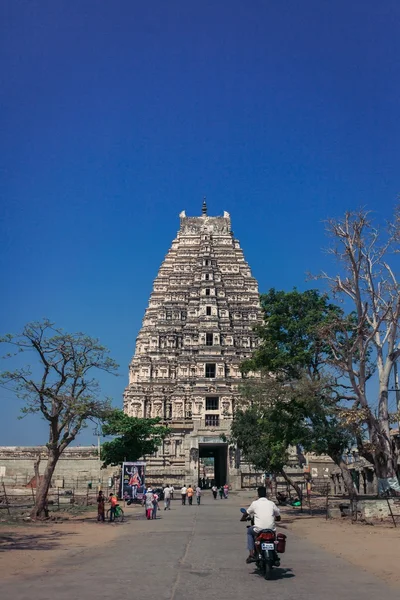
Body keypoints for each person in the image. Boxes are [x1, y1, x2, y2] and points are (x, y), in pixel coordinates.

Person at [241, 486, 281, 564]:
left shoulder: (255, 503)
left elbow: (246, 513)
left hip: (258, 529)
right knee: (274, 535)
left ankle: (251, 554)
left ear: (258, 494)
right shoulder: (271, 503)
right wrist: (277, 518)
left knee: (249, 531)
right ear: (266, 494)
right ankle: (275, 553)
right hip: (270, 530)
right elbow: (278, 516)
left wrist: (243, 518)